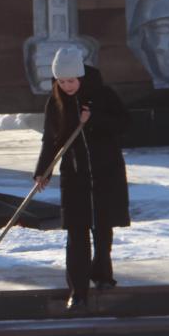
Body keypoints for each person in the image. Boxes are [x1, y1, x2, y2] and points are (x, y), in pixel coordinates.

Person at [33, 46, 130, 312]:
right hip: (75, 176)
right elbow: (50, 139)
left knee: (102, 229)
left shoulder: (103, 95)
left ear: (81, 76)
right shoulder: (55, 102)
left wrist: (94, 119)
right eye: (61, 81)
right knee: (76, 233)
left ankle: (102, 275)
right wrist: (43, 170)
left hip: (105, 173)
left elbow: (125, 124)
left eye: (71, 81)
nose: (66, 86)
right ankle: (78, 291)